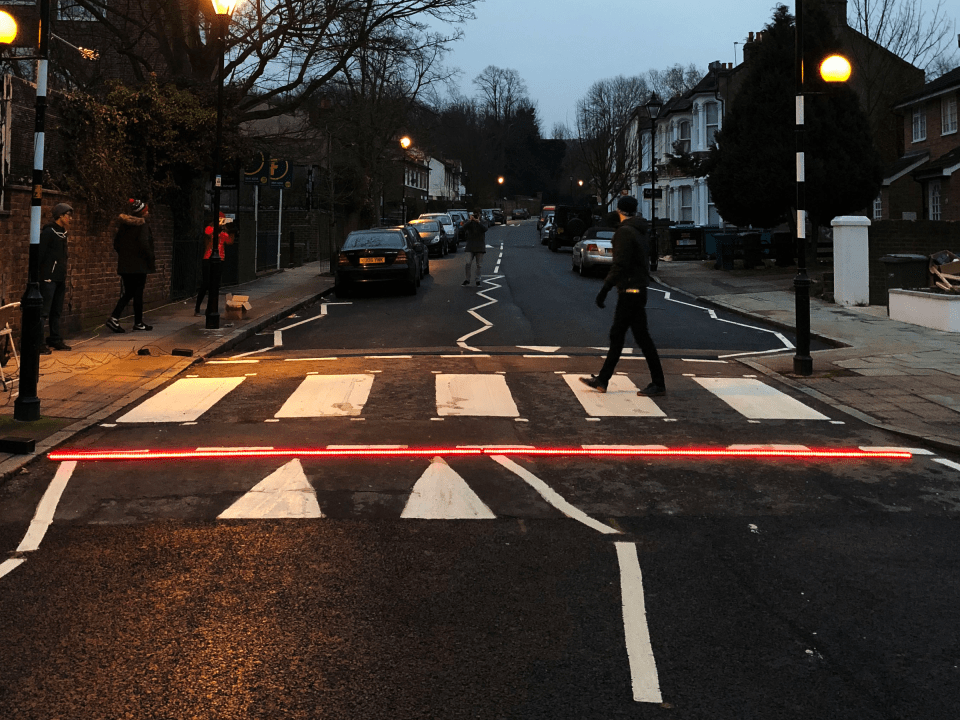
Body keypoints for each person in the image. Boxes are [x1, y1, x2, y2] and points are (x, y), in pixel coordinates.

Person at [580, 195, 665, 397]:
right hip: (638, 289)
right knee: (628, 337)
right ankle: (603, 379)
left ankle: (657, 383)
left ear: (619, 210)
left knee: (627, 337)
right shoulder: (640, 231)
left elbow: (620, 264)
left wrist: (604, 289)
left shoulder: (624, 233)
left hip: (629, 291)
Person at [105, 198, 156, 333]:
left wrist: (126, 256)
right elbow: (145, 244)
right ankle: (115, 317)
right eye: (146, 211)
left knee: (133, 292)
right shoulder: (142, 226)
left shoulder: (124, 226)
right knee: (134, 293)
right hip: (139, 266)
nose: (148, 212)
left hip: (126, 265)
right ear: (142, 213)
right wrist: (150, 258)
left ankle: (138, 322)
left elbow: (116, 244)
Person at [38, 203, 74, 353]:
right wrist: (43, 275)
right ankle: (38, 343)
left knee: (56, 310)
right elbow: (40, 254)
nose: (70, 218)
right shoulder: (48, 232)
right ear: (60, 215)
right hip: (48, 278)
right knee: (44, 311)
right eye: (68, 215)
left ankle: (55, 338)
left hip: (60, 277)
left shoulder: (63, 233)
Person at [195, 213, 234, 316]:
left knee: (215, 285)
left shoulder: (223, 232)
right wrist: (218, 227)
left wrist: (232, 230)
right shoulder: (210, 228)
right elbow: (208, 233)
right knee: (206, 284)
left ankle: (210, 308)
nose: (222, 221)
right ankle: (197, 308)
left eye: (223, 219)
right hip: (208, 258)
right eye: (220, 219)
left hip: (220, 259)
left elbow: (229, 241)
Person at [461, 210, 487, 287]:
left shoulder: (483, 222)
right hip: (470, 246)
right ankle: (467, 279)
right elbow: (464, 227)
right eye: (474, 215)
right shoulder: (469, 222)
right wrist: (470, 221)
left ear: (480, 215)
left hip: (480, 247)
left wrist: (478, 222)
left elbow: (485, 229)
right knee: (468, 263)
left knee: (479, 265)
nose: (476, 216)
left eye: (477, 214)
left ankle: (478, 280)